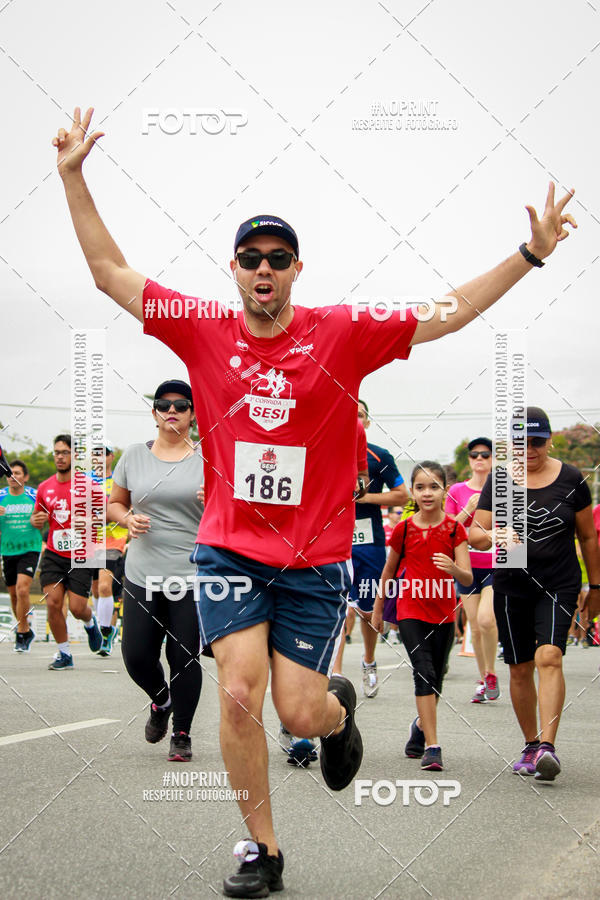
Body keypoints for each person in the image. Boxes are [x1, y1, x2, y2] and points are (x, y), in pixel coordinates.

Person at [53, 103, 577, 896]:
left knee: (299, 714)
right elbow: (109, 272)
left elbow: (447, 313)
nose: (263, 269)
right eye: (250, 258)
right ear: (234, 269)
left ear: (298, 268)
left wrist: (529, 254)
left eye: (278, 258)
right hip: (228, 551)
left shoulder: (342, 331)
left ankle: (338, 713)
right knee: (238, 693)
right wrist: (73, 177)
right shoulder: (200, 328)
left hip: (313, 560)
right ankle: (261, 850)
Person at [470, 407, 600, 781]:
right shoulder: (499, 480)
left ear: (550, 441)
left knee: (550, 656)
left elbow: (588, 537)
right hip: (512, 583)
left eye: (537, 442)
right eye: (521, 443)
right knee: (520, 667)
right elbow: (475, 534)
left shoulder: (572, 479)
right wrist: (493, 534)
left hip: (559, 582)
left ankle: (547, 746)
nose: (529, 449)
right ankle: (530, 744)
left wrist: (596, 586)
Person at [107, 380, 203, 762]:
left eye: (180, 405)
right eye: (164, 405)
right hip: (142, 572)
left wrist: (216, 500)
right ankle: (161, 701)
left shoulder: (210, 458)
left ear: (193, 414)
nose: (171, 411)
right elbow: (114, 504)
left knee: (184, 657)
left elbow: (234, 510)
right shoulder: (134, 455)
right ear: (154, 414)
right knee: (136, 655)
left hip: (190, 574)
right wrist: (127, 519)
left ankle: (182, 733)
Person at [372, 461, 472, 770]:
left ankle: (419, 727)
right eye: (420, 487)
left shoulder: (455, 529)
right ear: (413, 492)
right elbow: (389, 571)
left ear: (445, 491)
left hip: (443, 612)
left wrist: (453, 568)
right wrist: (378, 609)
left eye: (434, 487)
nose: (427, 493)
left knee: (436, 678)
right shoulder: (403, 529)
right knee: (424, 672)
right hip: (410, 610)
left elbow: (467, 576)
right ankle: (433, 746)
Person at [336, 399, 408, 694]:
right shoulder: (327, 450)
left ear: (367, 422)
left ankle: (369, 660)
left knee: (367, 610)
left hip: (369, 542)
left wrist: (365, 498)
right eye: (349, 414)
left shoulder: (380, 456)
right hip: (334, 539)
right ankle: (336, 673)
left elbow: (402, 495)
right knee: (337, 607)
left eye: (360, 415)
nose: (355, 420)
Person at [32, 434, 103, 669]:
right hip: (54, 553)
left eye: (65, 452)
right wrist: (36, 520)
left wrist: (91, 520)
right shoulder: (45, 487)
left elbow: (107, 512)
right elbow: (37, 516)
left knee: (76, 608)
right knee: (53, 602)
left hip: (82, 554)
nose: (60, 457)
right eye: (57, 452)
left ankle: (90, 622)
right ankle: (64, 654)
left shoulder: (89, 485)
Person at [445, 437, 499, 702]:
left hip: (496, 565)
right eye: (475, 455)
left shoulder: (504, 490)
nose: (479, 459)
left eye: (485, 455)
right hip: (467, 566)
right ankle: (484, 678)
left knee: (487, 619)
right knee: (474, 626)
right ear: (469, 460)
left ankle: (492, 672)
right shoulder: (457, 491)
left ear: (493, 459)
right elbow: (447, 529)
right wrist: (468, 509)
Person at [0, 460, 42, 651]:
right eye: (10, 474)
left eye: (17, 473)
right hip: (8, 549)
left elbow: (49, 516)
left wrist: (38, 519)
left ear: (25, 477)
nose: (12, 477)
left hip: (30, 549)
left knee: (22, 590)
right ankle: (24, 629)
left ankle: (22, 632)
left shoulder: (34, 495)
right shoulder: (1, 496)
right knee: (14, 594)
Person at [90, 444, 128, 656]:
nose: (98, 458)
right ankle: (105, 628)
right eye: (95, 454)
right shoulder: (83, 482)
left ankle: (105, 633)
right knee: (96, 590)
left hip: (113, 540)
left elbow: (126, 509)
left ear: (111, 457)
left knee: (106, 587)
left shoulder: (119, 482)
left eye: (103, 454)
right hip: (89, 541)